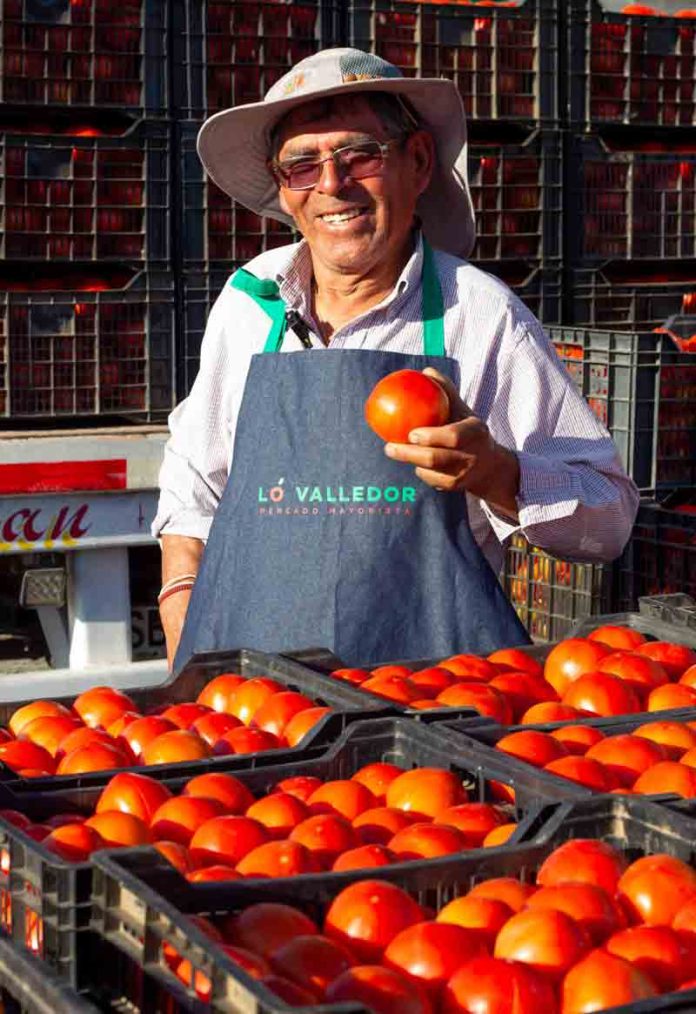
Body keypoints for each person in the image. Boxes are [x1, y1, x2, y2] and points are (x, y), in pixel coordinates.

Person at [153, 48, 639, 671]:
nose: (332, 184)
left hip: (429, 694)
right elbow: (196, 478)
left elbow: (609, 520)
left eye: (359, 154)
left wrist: (497, 473)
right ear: (284, 189)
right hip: (260, 690)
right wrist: (181, 600)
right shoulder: (252, 302)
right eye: (302, 164)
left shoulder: (479, 315)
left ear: (416, 161)